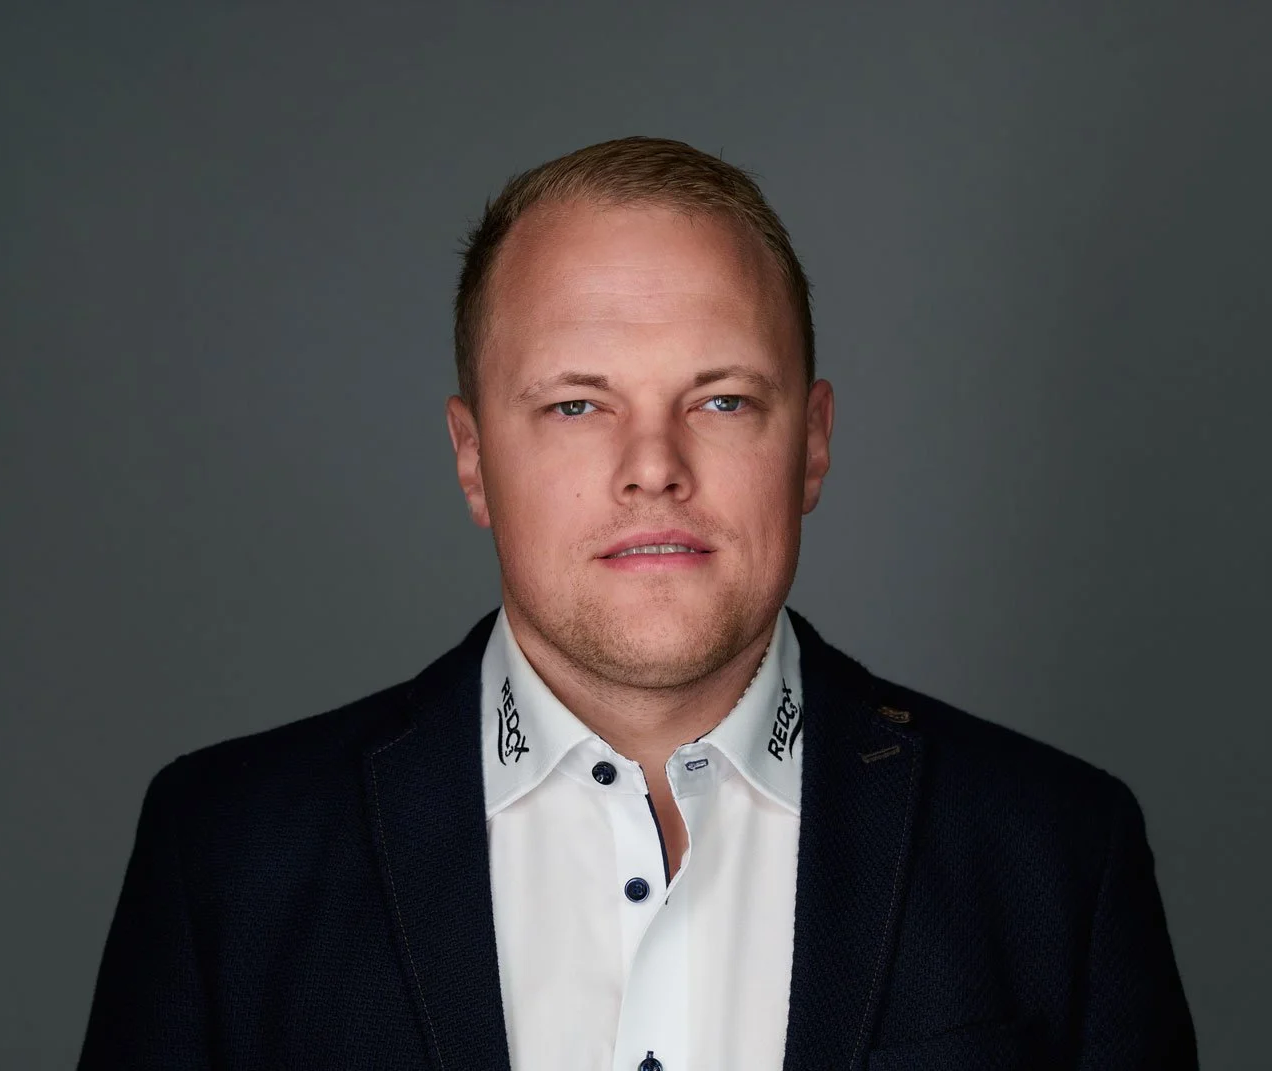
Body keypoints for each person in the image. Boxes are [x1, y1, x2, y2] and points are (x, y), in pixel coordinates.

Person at [78, 136, 1197, 1070]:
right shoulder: (227, 858)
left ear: (812, 445)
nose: (653, 467)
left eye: (721, 400)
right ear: (472, 459)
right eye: (576, 406)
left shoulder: (1056, 853)